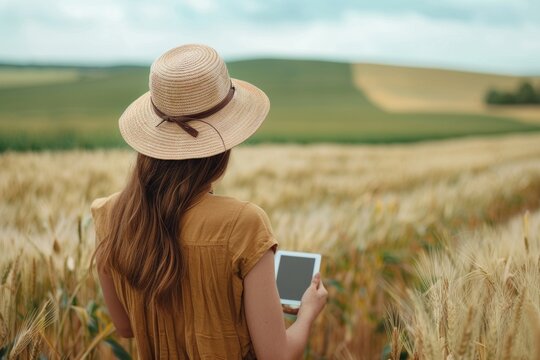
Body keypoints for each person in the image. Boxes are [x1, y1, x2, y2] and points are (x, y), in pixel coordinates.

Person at [91, 44, 328, 359]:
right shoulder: (242, 225)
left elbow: (125, 327)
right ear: (224, 143)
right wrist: (309, 311)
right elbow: (277, 356)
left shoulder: (110, 215)